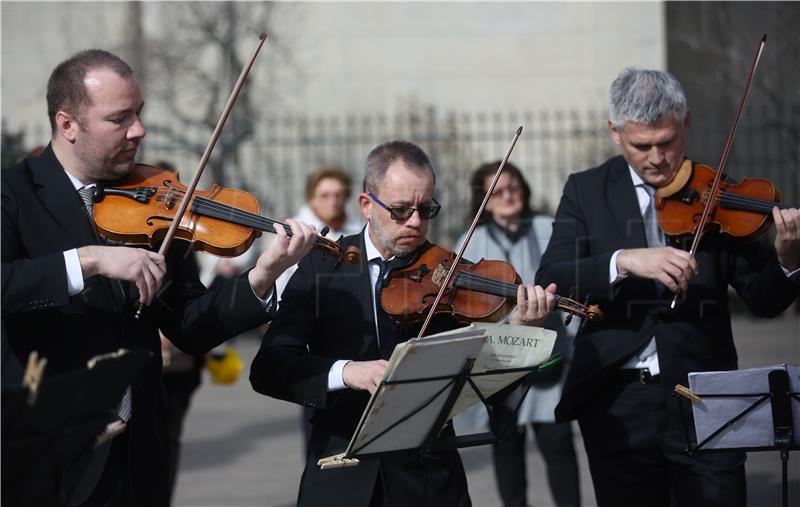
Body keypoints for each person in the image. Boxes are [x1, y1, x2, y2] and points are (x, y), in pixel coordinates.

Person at [1, 49, 317, 507]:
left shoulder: (157, 202)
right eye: (120, 118)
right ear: (68, 124)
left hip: (139, 454)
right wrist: (89, 260)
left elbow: (190, 325)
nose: (139, 131)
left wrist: (263, 275)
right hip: (49, 453)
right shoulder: (14, 193)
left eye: (140, 113)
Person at [536, 68, 800, 507]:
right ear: (615, 133)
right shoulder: (586, 190)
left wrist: (788, 259)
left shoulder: (718, 191)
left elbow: (765, 299)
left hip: (704, 397)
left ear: (686, 123)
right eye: (642, 145)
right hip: (617, 399)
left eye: (668, 141)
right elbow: (556, 272)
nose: (657, 157)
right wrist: (625, 260)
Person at [250, 140, 558, 507]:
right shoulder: (321, 267)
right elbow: (270, 367)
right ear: (366, 205)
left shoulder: (449, 272)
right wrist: (347, 372)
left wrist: (519, 331)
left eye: (425, 209)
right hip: (342, 477)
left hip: (430, 478)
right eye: (399, 210)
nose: (415, 222)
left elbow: (484, 386)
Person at [453, 161, 580, 507]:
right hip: (500, 362)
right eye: (497, 191)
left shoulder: (548, 227)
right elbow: (463, 306)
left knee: (558, 444)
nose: (507, 195)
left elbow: (572, 284)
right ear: (484, 200)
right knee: (506, 447)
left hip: (550, 355)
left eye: (513, 187)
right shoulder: (469, 241)